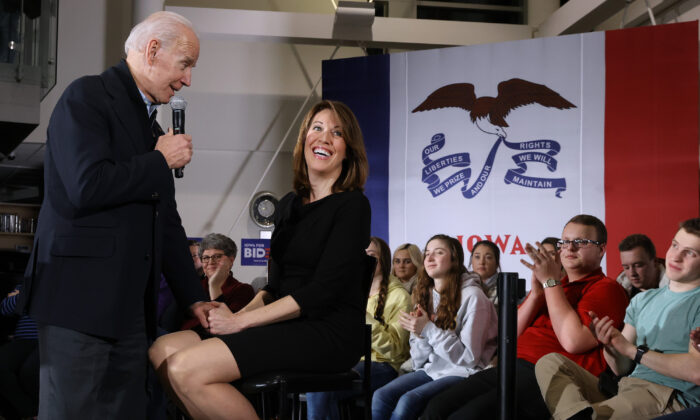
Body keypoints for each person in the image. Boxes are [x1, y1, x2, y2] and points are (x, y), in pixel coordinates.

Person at [16, 11, 214, 419]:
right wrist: (158, 161)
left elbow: (168, 224)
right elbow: (85, 185)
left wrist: (194, 298)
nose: (188, 80)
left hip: (130, 311)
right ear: (153, 50)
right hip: (80, 303)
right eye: (186, 65)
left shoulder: (152, 131)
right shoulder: (86, 97)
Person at [148, 99, 371, 419]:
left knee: (185, 368)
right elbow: (273, 289)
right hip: (285, 324)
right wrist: (233, 318)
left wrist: (240, 322)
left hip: (327, 331)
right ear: (304, 138)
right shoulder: (288, 205)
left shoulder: (353, 207)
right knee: (162, 351)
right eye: (317, 128)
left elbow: (321, 291)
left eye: (336, 133)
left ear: (348, 149)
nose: (324, 138)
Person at [421, 214, 629, 420]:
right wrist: (538, 293)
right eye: (564, 242)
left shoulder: (607, 288)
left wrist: (549, 281)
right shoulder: (554, 286)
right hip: (511, 365)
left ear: (601, 249)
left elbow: (573, 342)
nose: (570, 248)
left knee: (468, 416)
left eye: (581, 242)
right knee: (436, 408)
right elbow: (509, 335)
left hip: (551, 375)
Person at [534, 218, 700, 419]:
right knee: (550, 362)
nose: (676, 256)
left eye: (690, 252)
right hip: (625, 387)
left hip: (666, 395)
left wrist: (632, 351)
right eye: (675, 245)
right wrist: (611, 344)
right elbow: (620, 367)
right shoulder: (643, 299)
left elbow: (695, 371)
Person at [371, 234, 498, 420]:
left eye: (438, 253)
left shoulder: (474, 296)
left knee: (407, 401)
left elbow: (469, 359)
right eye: (427, 253)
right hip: (432, 370)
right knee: (381, 396)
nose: (429, 258)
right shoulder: (426, 295)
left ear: (454, 259)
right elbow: (419, 362)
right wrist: (419, 334)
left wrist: (428, 329)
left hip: (463, 373)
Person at [306, 236, 411, 420]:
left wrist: (365, 317)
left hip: (383, 366)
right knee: (318, 385)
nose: (364, 260)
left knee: (322, 387)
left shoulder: (400, 296)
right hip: (349, 361)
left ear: (383, 260)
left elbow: (396, 351)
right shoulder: (349, 292)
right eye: (360, 255)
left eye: (371, 255)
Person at [180, 233, 255, 330]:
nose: (211, 262)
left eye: (217, 256)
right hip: (182, 337)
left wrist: (214, 285)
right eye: (206, 258)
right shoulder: (194, 287)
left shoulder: (243, 290)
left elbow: (223, 325)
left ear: (231, 261)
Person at [0, 285, 38, 419]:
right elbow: (5, 308)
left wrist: (21, 297)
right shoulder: (26, 285)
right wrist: (27, 295)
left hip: (46, 339)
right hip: (22, 340)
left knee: (29, 372)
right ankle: (32, 413)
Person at [617, 233, 669, 298]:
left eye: (638, 265)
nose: (632, 273)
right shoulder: (619, 291)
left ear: (655, 262)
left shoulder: (678, 289)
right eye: (626, 267)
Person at [468, 240, 500, 306]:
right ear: (471, 261)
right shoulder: (463, 284)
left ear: (496, 263)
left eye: (488, 257)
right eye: (477, 257)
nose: (481, 262)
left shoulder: (504, 288)